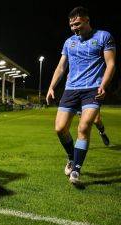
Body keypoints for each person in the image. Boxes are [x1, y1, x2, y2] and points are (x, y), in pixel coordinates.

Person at [46, 6, 116, 184]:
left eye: (77, 24)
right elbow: (62, 67)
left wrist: (103, 85)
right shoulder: (69, 42)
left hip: (92, 89)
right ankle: (72, 157)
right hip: (71, 89)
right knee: (60, 128)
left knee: (84, 127)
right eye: (71, 25)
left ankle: (76, 170)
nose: (74, 28)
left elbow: (111, 64)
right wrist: (52, 87)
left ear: (87, 20)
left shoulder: (103, 36)